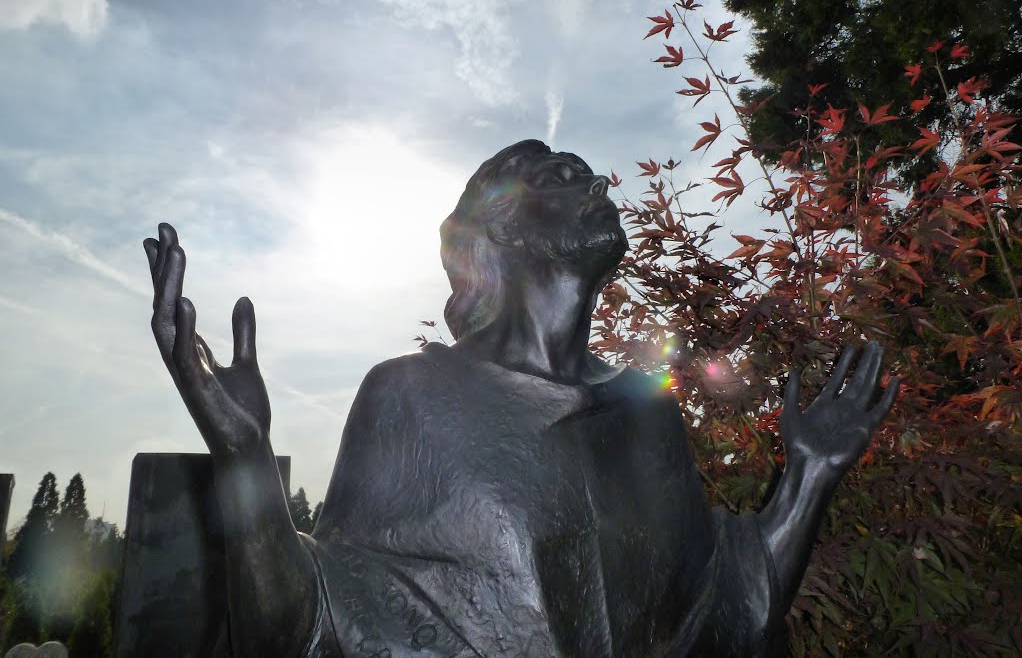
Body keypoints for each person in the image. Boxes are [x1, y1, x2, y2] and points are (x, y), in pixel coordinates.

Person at [144, 139, 896, 657]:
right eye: (563, 179)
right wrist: (243, 461)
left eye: (590, 176)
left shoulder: (646, 410)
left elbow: (729, 608)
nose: (599, 185)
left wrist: (810, 476)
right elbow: (315, 626)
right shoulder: (411, 398)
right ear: (499, 230)